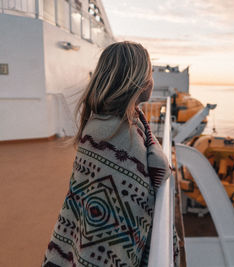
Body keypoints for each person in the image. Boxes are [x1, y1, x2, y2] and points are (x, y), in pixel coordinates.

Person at [43, 42, 177, 266]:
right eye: (149, 72)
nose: (152, 80)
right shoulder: (122, 137)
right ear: (137, 81)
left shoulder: (103, 124)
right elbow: (130, 212)